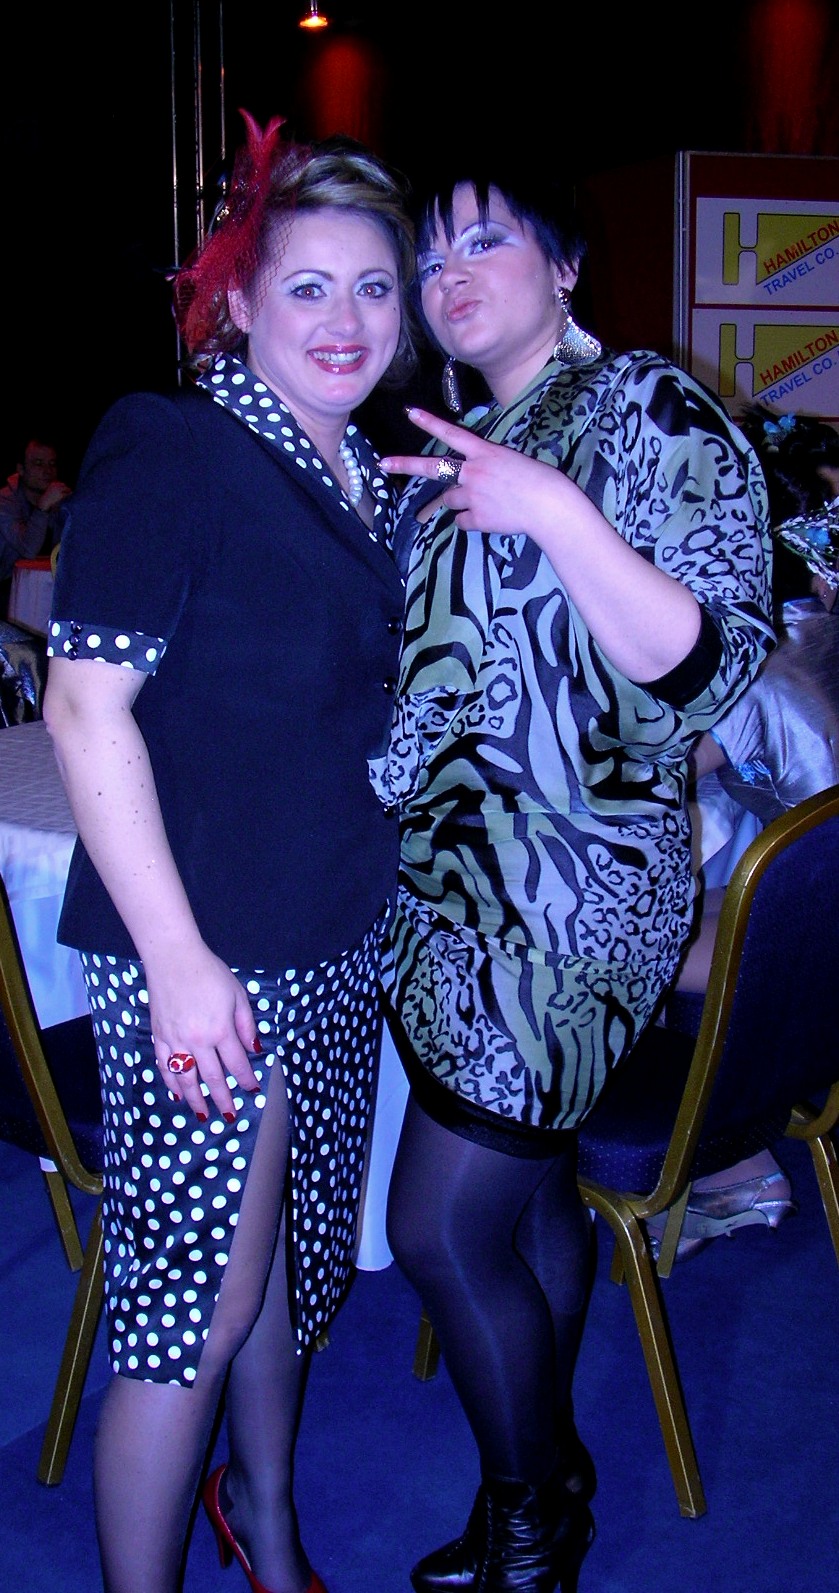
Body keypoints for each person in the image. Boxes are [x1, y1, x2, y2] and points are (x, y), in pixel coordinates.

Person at [370, 156, 774, 1593]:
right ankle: (545, 1480)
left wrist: (554, 511)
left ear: (564, 265)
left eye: (483, 241)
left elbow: (711, 671)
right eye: (428, 259)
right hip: (447, 895)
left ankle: (536, 1519)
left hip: (569, 901)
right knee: (529, 1194)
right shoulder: (459, 446)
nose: (448, 277)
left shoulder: (643, 406)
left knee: (435, 1227)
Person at [42, 110, 414, 1593]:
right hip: (205, 956)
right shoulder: (178, 447)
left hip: (328, 933)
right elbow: (82, 710)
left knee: (281, 1272)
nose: (344, 319)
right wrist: (182, 967)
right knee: (191, 1310)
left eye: (373, 287)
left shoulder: (362, 476)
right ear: (238, 302)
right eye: (306, 287)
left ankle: (264, 1519)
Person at [655, 404, 839, 1261]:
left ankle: (723, 1166)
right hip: (816, 941)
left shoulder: (759, 664)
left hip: (801, 960)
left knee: (591, 941)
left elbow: (626, 778)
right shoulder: (810, 634)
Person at [0, 435, 71, 593]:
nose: (47, 471)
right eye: (38, 463)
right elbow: (28, 550)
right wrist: (42, 508)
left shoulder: (58, 498)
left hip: (47, 585)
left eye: (52, 464)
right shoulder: (5, 502)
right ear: (21, 469)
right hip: (8, 587)